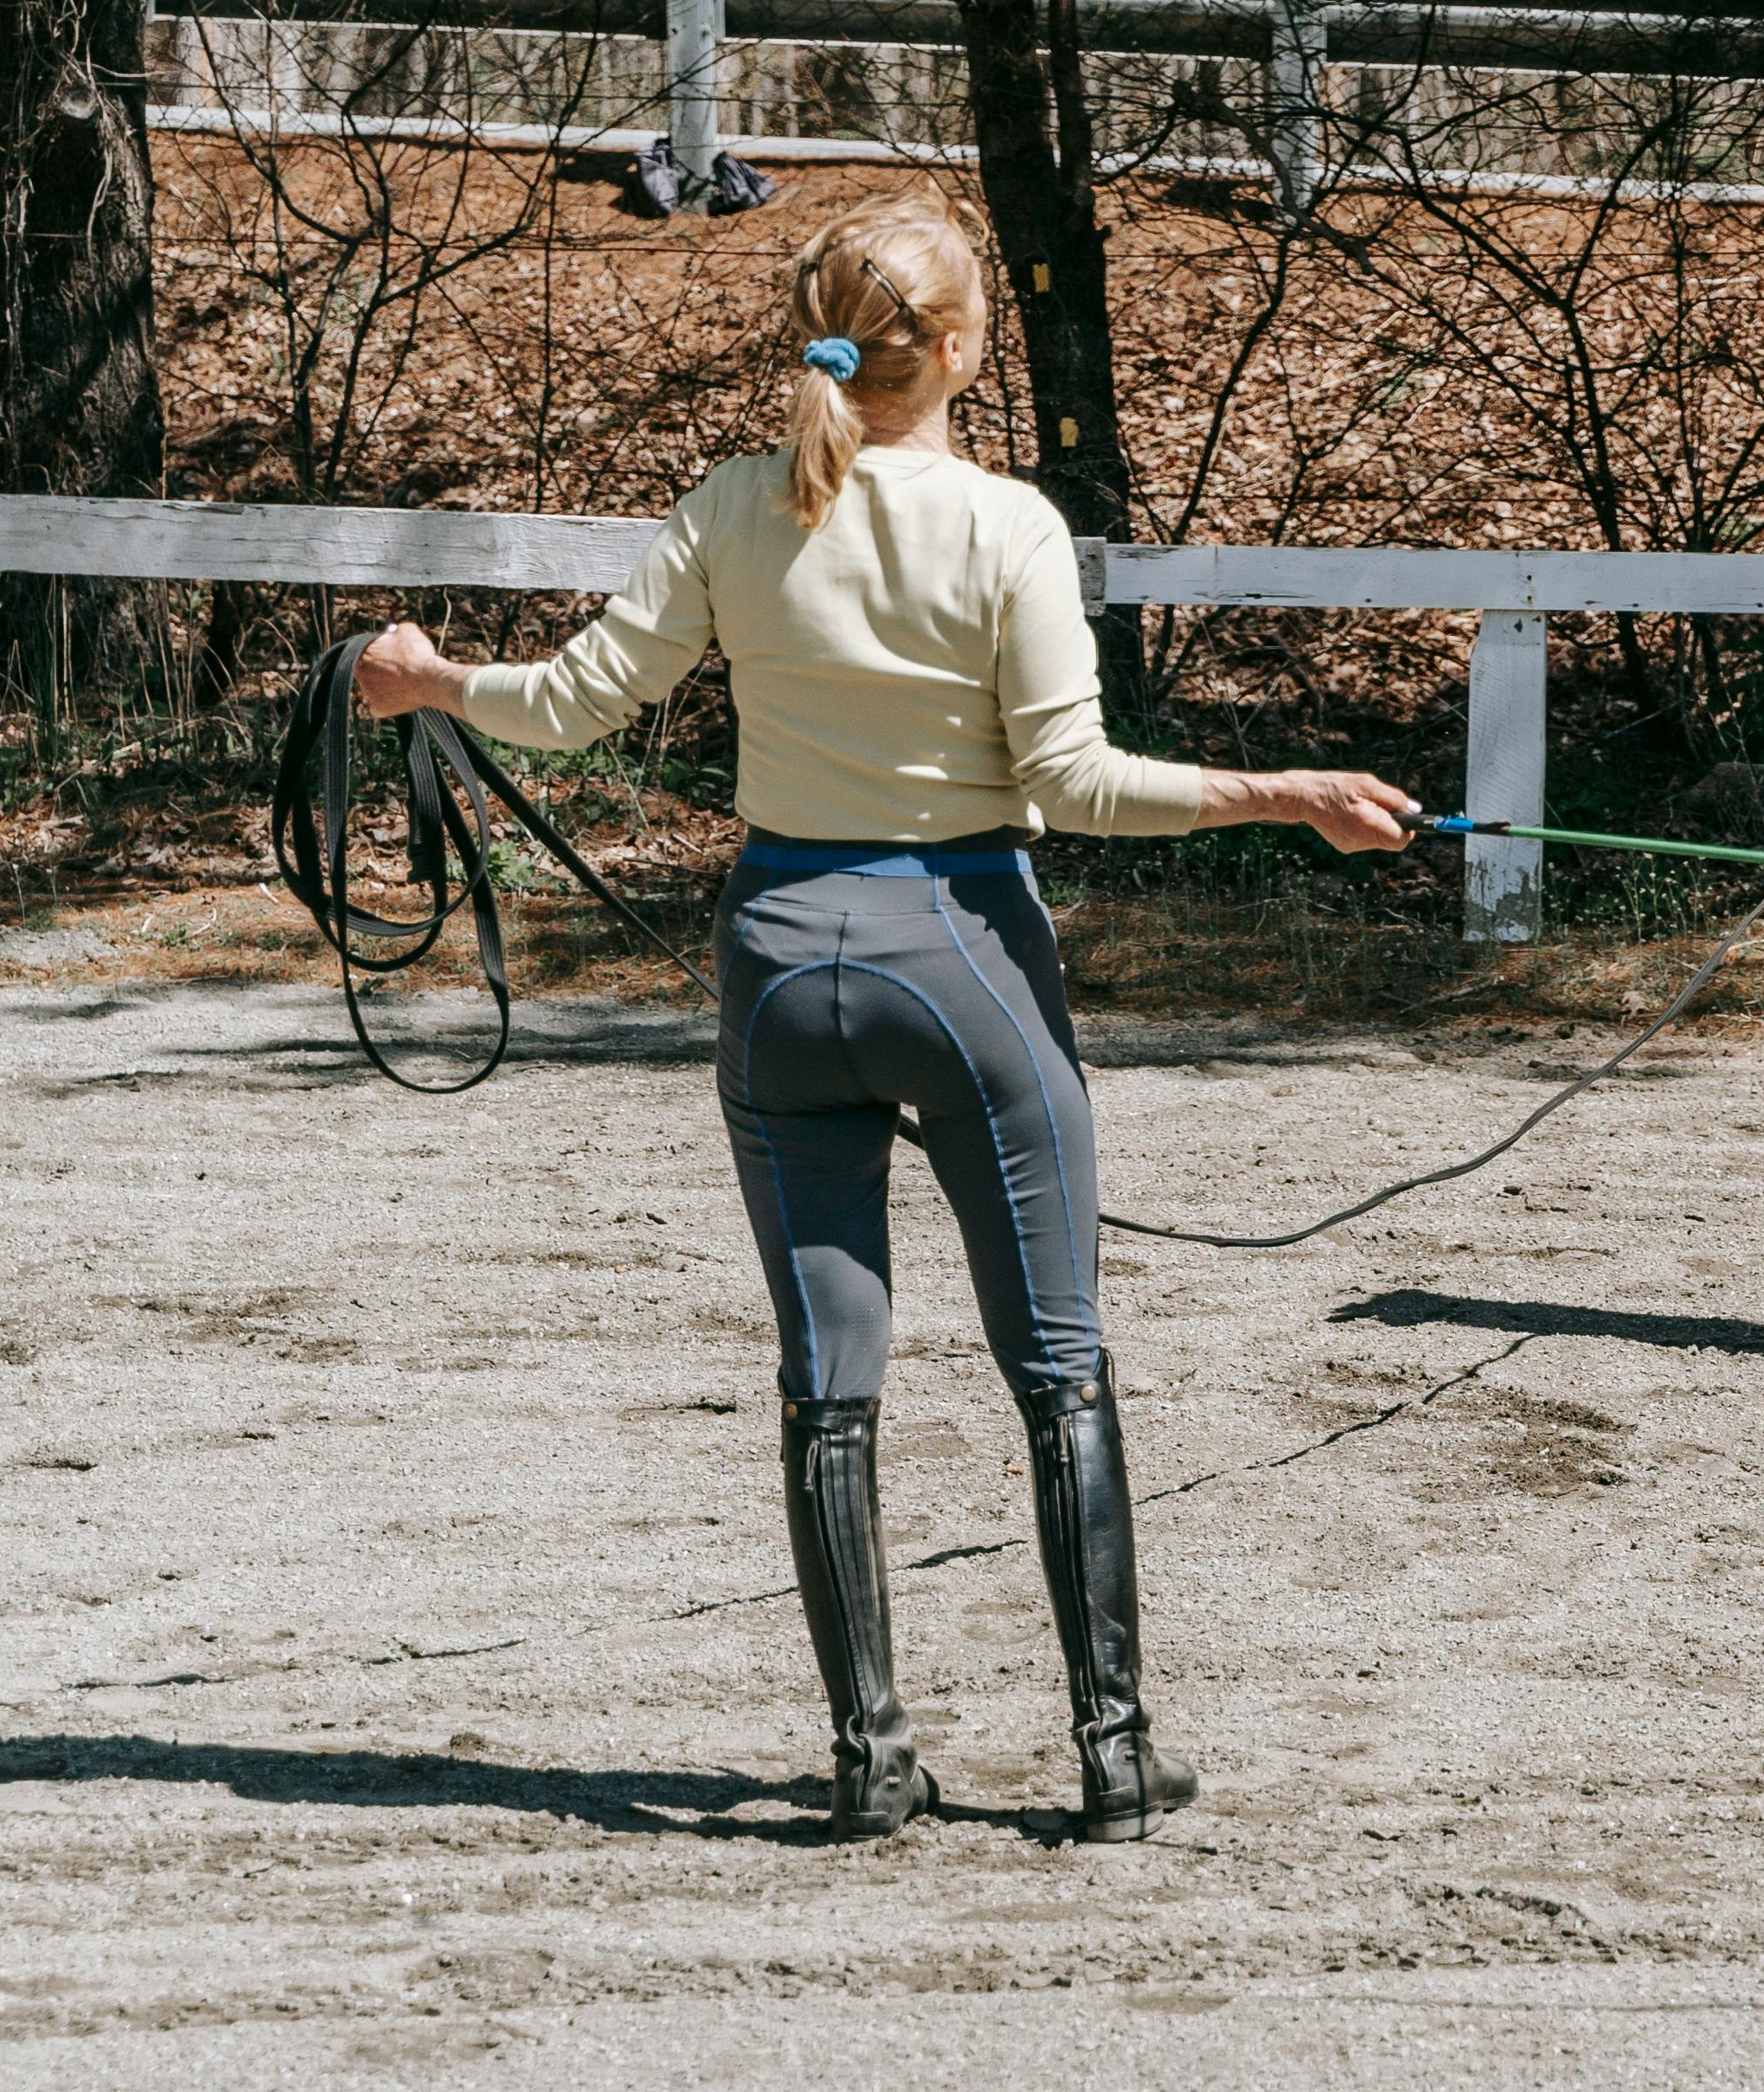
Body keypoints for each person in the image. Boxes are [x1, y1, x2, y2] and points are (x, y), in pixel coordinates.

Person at [344, 201, 1419, 1843]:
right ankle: (1115, 1750)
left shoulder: (729, 507)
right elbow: (1074, 783)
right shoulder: (1010, 530)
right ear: (968, 344)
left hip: (781, 968)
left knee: (826, 1378)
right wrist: (1291, 793)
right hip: (962, 961)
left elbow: (569, 707)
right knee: (1055, 1362)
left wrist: (425, 682)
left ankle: (869, 1759)